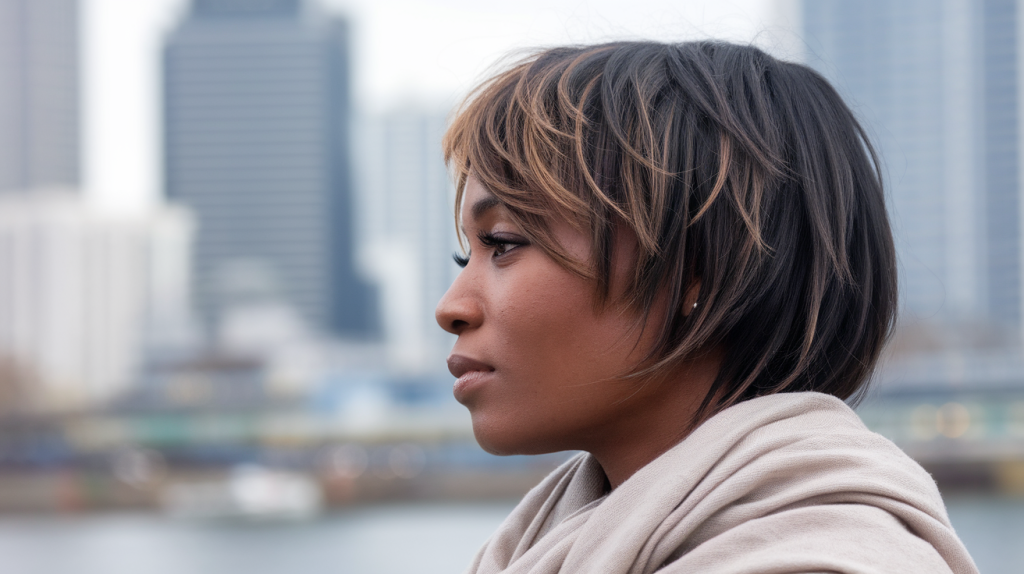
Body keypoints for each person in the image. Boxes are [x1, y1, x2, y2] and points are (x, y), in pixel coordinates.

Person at [435, 41, 978, 574]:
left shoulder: (818, 559)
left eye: (502, 244)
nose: (451, 307)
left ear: (697, 267)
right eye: (468, 254)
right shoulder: (540, 545)